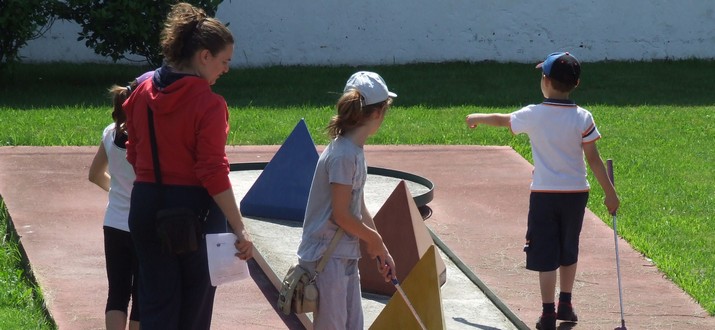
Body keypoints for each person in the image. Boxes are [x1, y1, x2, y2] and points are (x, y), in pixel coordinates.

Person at [122, 3, 253, 329]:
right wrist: (239, 227)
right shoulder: (209, 104)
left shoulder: (141, 92)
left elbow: (133, 153)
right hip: (194, 212)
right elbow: (212, 170)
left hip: (145, 204)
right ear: (204, 56)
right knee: (193, 311)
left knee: (155, 305)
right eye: (224, 62)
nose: (225, 70)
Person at [465, 52, 619, 330]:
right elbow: (594, 159)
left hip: (544, 195)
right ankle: (566, 303)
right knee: (568, 248)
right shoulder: (583, 117)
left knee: (545, 253)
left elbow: (502, 120)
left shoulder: (533, 114)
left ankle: (548, 313)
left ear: (545, 81)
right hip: (576, 194)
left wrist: (476, 116)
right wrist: (610, 193)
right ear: (577, 83)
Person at [296, 71, 398, 330]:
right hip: (326, 257)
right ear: (377, 113)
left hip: (342, 255)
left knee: (353, 325)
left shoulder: (354, 151)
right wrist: (372, 240)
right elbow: (340, 215)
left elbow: (358, 206)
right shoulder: (343, 155)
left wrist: (380, 246)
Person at [88, 71, 152, 330]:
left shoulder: (109, 133)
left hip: (113, 223)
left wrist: (115, 190)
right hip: (143, 224)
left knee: (117, 293)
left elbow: (94, 175)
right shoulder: (147, 139)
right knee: (141, 295)